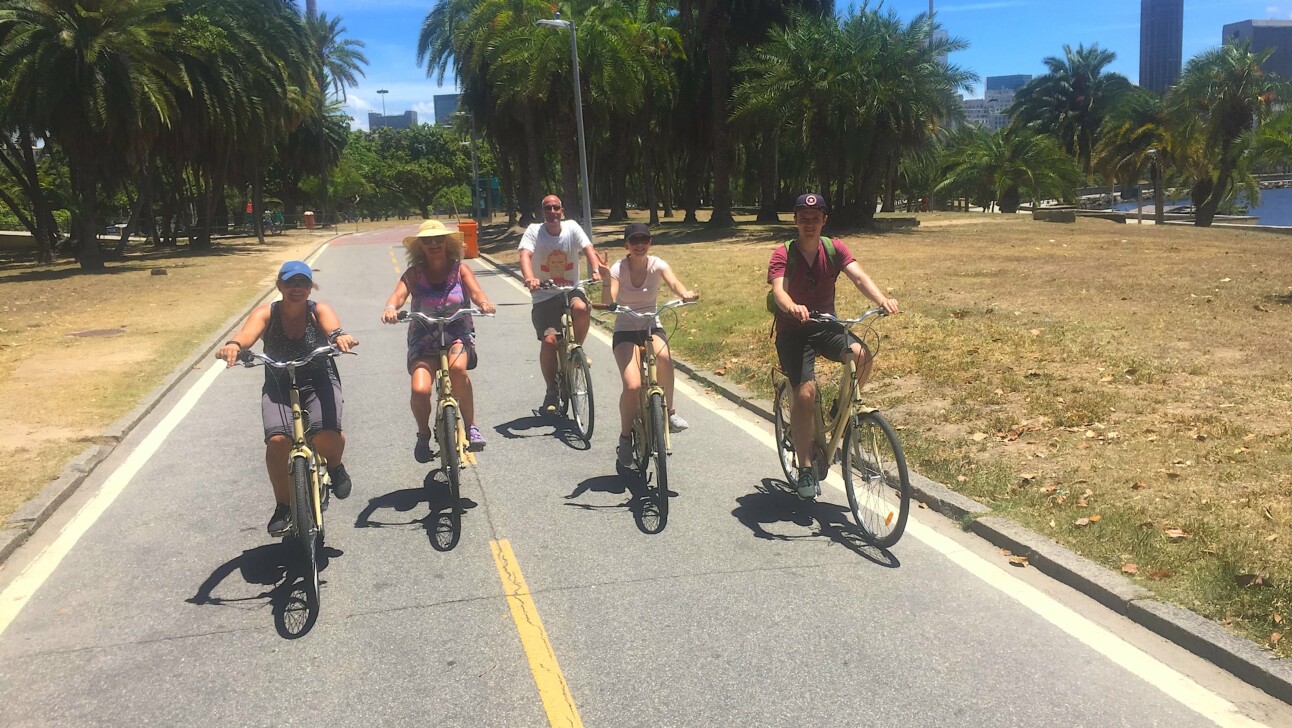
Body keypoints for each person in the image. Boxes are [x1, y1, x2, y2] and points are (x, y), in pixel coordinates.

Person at [768, 193, 900, 499]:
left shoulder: (834, 248)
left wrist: (881, 300)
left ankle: (841, 408)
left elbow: (859, 277)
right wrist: (792, 306)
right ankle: (805, 467)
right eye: (804, 218)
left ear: (824, 220)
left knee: (862, 355)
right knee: (805, 392)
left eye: (815, 218)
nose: (809, 223)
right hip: (794, 331)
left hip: (826, 325)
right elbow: (778, 291)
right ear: (795, 221)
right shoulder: (783, 253)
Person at [218, 261, 358, 536]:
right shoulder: (267, 313)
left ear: (310, 287)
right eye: (291, 282)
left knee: (325, 433)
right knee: (278, 441)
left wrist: (340, 337)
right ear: (280, 286)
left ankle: (335, 465)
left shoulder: (317, 310)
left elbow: (334, 329)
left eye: (303, 283)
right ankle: (283, 505)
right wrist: (234, 345)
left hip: (318, 378)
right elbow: (246, 335)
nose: (297, 288)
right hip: (279, 383)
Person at [382, 219, 496, 462]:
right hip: (424, 335)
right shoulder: (414, 274)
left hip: (457, 332)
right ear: (420, 247)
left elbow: (477, 292)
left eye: (438, 239)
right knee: (420, 390)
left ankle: (472, 426)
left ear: (447, 243)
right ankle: (423, 434)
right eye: (427, 241)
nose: (433, 244)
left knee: (458, 370)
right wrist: (391, 308)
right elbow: (398, 295)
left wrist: (484, 303)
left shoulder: (460, 270)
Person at [601, 222, 699, 467]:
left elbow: (674, 283)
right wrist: (606, 281)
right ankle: (625, 438)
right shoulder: (618, 269)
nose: (640, 245)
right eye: (634, 240)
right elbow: (609, 298)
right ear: (626, 245)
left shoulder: (658, 264)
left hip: (651, 324)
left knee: (664, 358)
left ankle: (669, 412)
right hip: (625, 329)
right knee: (633, 386)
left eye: (644, 240)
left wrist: (684, 293)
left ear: (650, 243)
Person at [518, 194, 603, 413]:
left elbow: (588, 248)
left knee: (581, 308)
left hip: (571, 288)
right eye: (548, 208)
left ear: (562, 211)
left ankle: (576, 352)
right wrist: (530, 278)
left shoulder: (572, 227)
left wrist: (595, 269)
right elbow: (525, 255)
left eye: (556, 208)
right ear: (542, 212)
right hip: (544, 294)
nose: (552, 212)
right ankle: (551, 390)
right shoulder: (534, 231)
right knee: (549, 341)